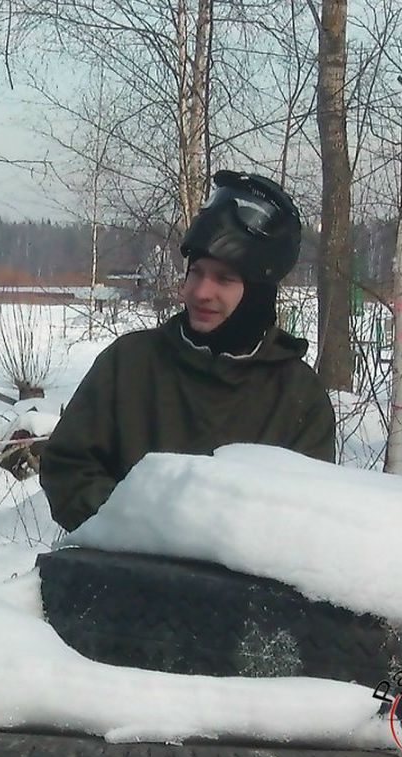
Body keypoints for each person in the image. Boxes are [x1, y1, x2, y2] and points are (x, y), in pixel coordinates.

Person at [37, 169, 336, 533]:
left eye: (224, 279)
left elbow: (306, 518)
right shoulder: (131, 363)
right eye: (196, 272)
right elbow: (69, 468)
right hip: (125, 563)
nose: (200, 292)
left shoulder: (297, 397)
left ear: (259, 292)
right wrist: (140, 527)